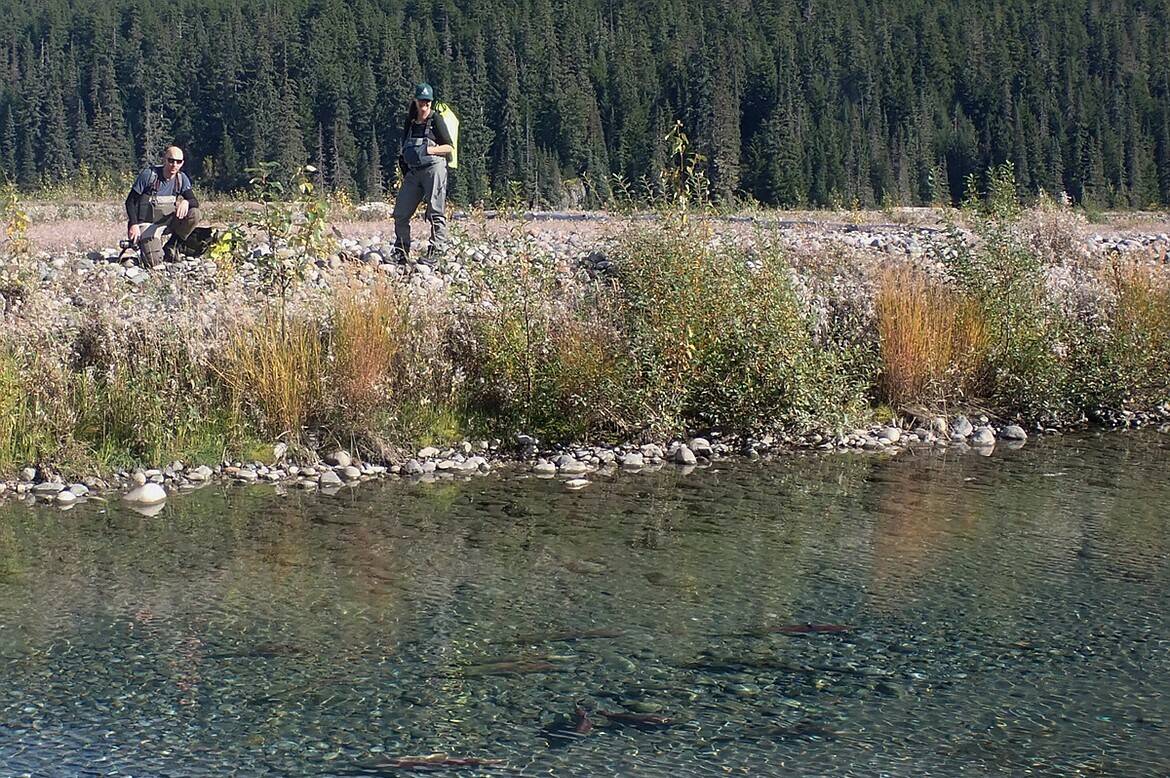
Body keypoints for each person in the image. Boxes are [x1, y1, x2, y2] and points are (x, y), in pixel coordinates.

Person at [392, 83, 454, 264]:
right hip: (413, 172)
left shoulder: (436, 120)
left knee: (435, 211)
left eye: (427, 102)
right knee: (401, 212)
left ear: (431, 103)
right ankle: (401, 250)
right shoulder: (410, 121)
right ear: (416, 101)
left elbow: (449, 147)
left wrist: (431, 150)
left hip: (434, 169)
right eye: (421, 102)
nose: (424, 106)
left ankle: (437, 250)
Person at [124, 145, 202, 268]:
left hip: (168, 222)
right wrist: (133, 224)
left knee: (195, 214)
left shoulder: (181, 179)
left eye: (178, 162)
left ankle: (172, 245)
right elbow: (130, 201)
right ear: (164, 160)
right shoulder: (148, 175)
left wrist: (186, 202)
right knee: (154, 262)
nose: (174, 165)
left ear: (182, 163)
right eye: (171, 160)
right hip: (147, 225)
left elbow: (194, 201)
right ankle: (140, 248)